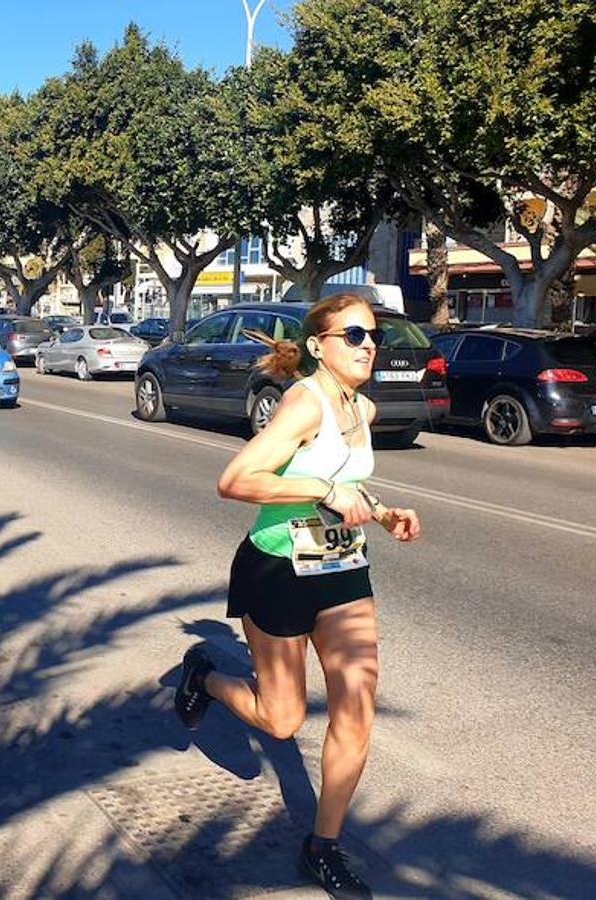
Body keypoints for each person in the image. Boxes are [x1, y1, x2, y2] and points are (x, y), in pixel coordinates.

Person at [172, 293, 421, 900]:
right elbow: (235, 480)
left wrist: (383, 513)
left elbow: (346, 484)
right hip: (279, 568)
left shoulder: (362, 405)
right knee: (281, 722)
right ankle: (203, 674)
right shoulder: (303, 402)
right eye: (354, 335)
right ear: (319, 345)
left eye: (373, 337)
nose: (369, 346)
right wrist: (323, 489)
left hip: (340, 569)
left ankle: (322, 847)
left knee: (356, 706)